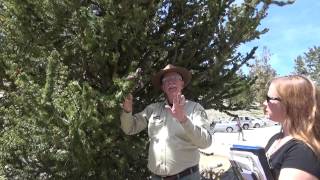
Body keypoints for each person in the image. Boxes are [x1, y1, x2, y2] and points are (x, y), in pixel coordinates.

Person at [120, 64, 212, 179]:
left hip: (186, 177)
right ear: (163, 87)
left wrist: (183, 119)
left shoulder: (195, 109)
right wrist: (127, 110)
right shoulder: (152, 109)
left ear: (182, 84)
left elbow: (206, 142)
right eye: (166, 80)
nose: (171, 82)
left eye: (175, 78)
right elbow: (129, 128)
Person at [263, 75, 320, 180]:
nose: (264, 103)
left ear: (292, 104)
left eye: (269, 99)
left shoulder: (303, 153)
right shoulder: (276, 138)